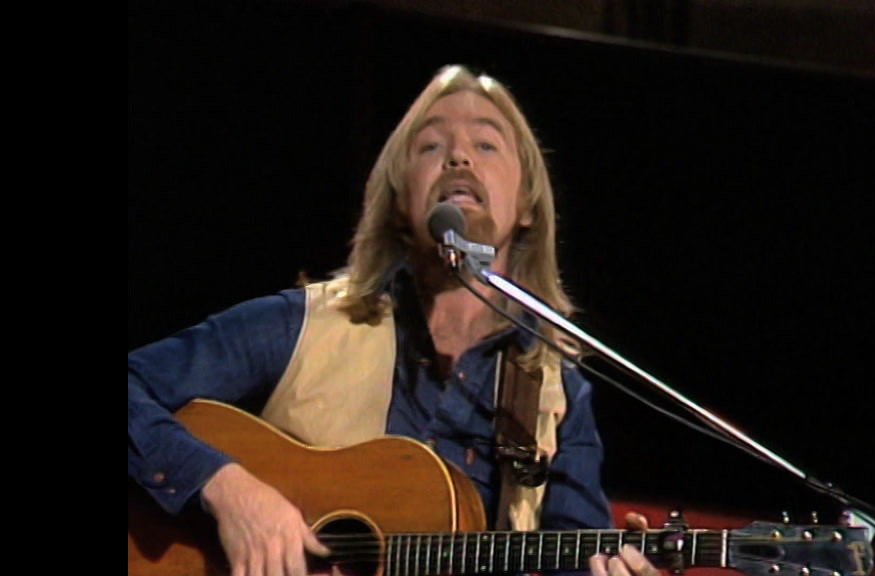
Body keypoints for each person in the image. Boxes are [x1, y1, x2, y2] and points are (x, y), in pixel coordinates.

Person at [128, 64, 659, 576]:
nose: (458, 157)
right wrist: (230, 490)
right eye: (430, 146)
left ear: (526, 206)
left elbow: (578, 561)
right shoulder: (302, 324)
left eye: (486, 144)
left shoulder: (557, 393)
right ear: (400, 204)